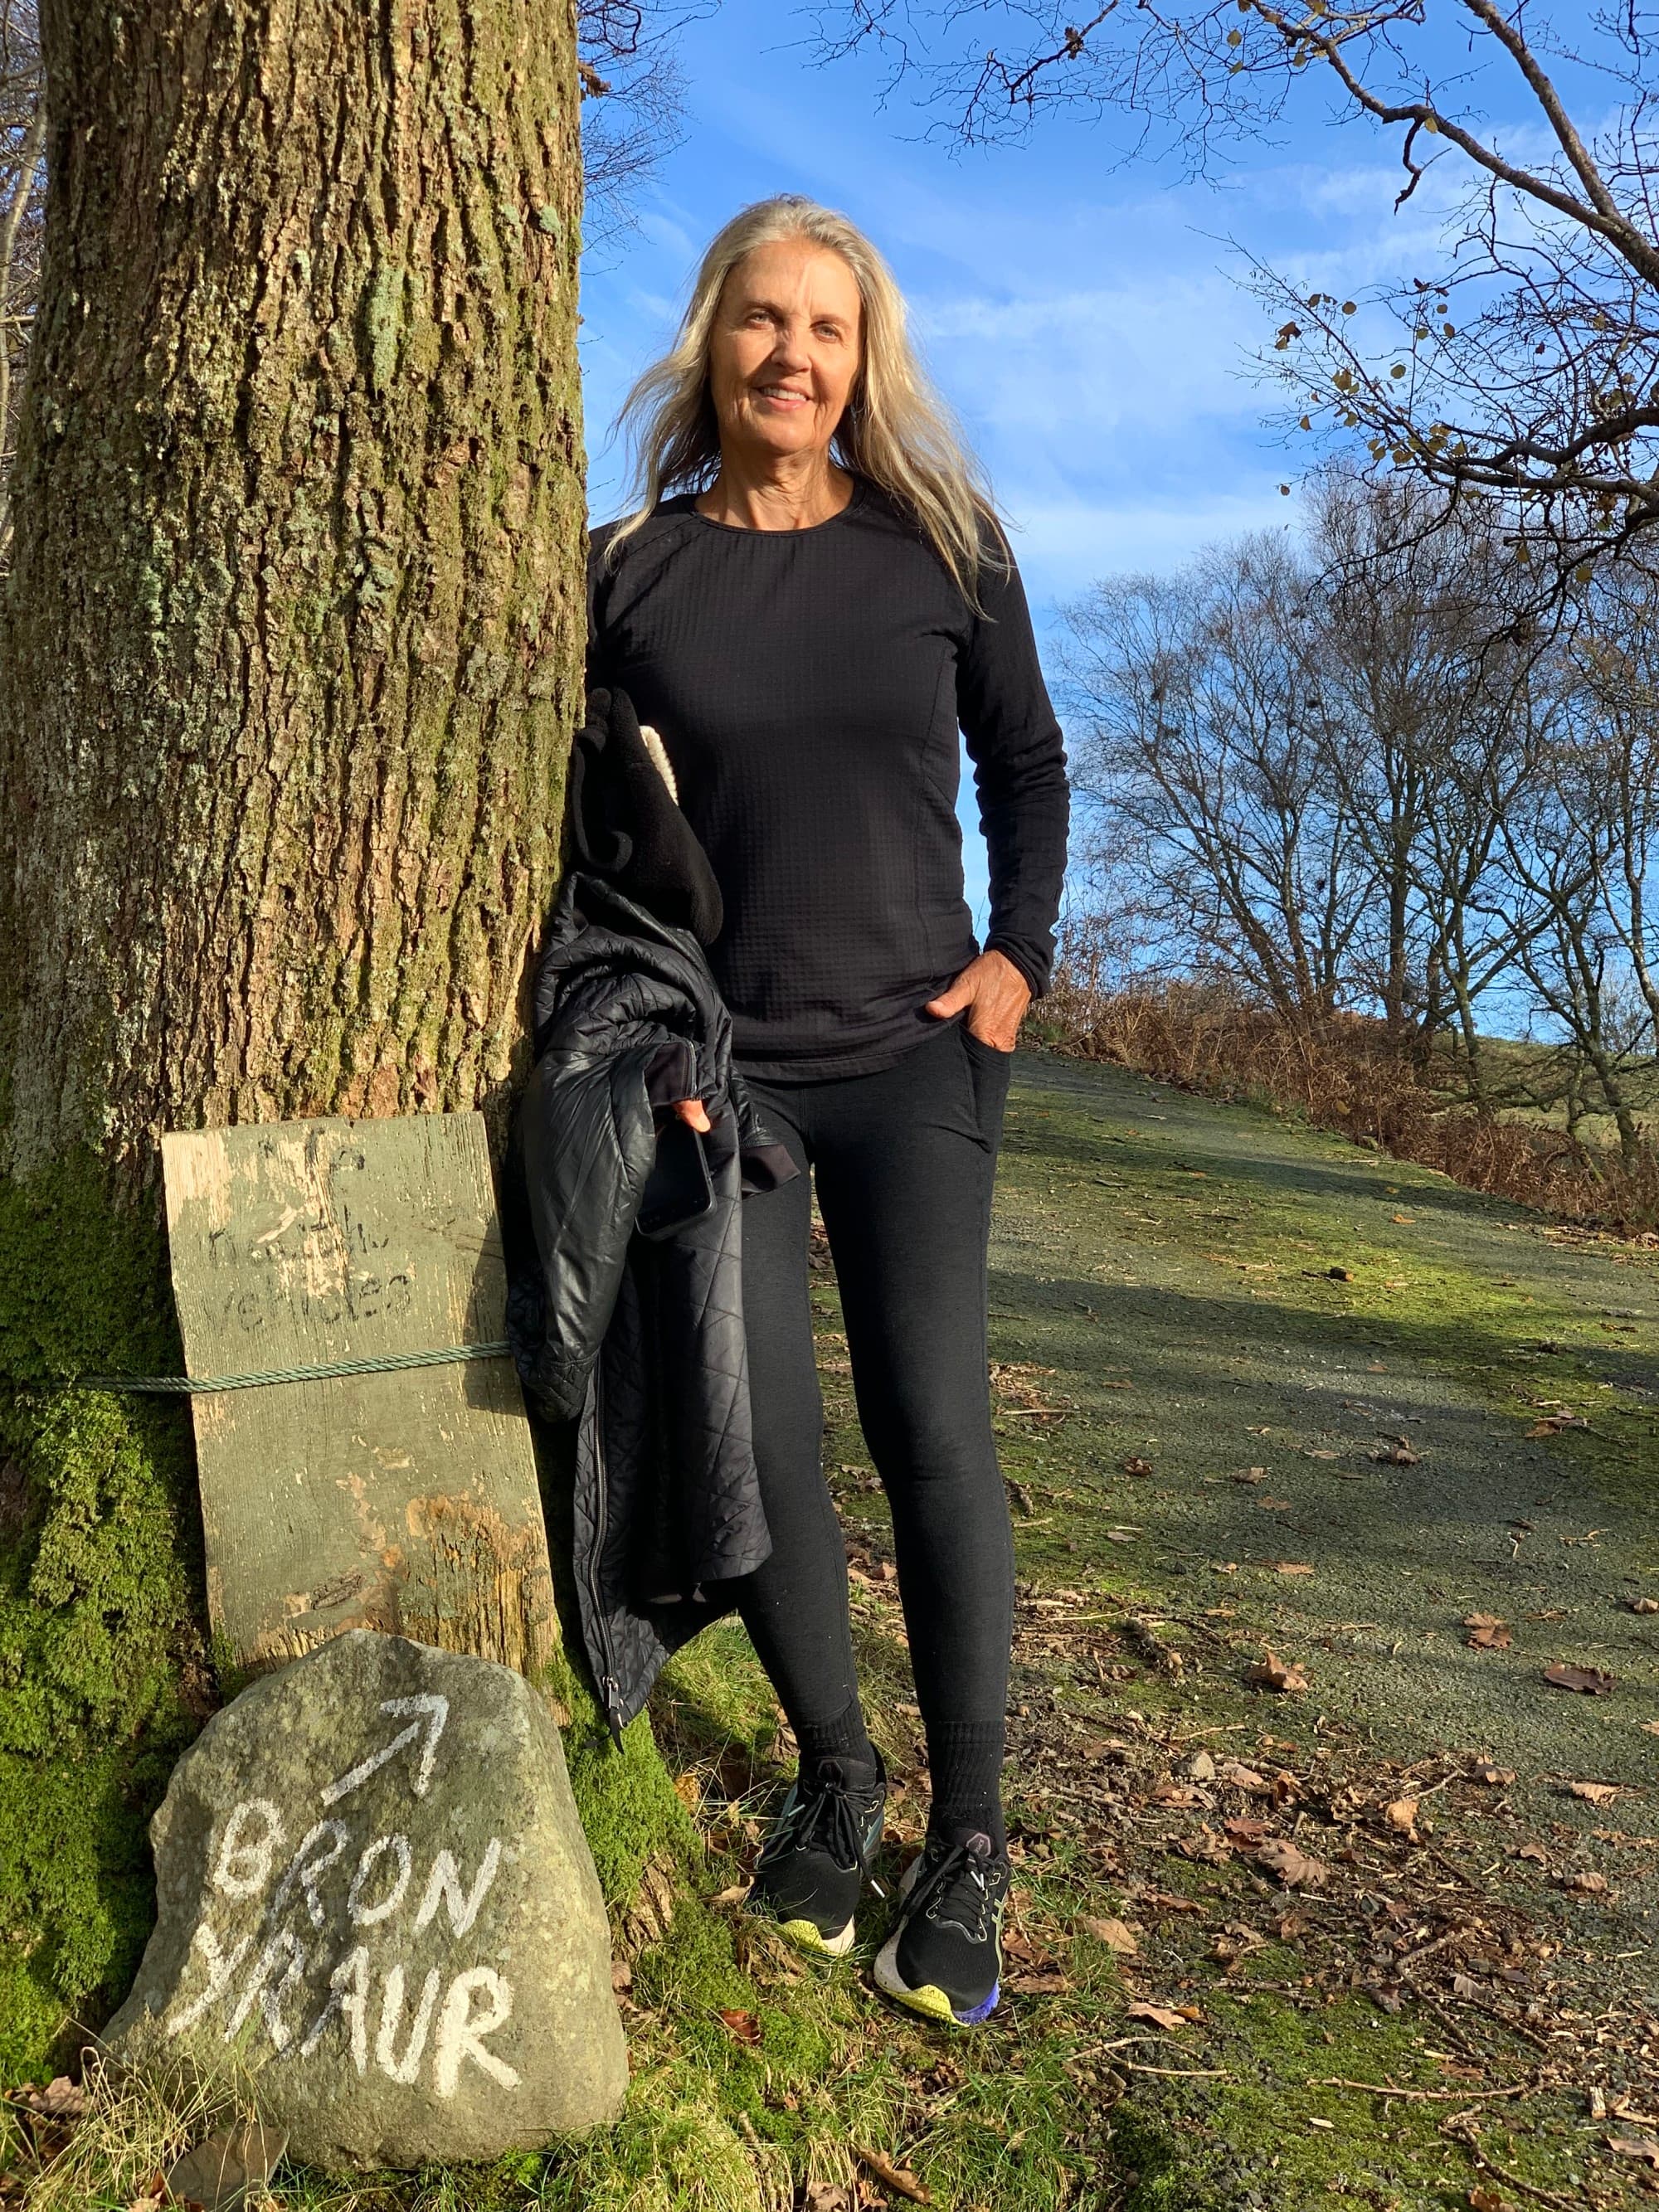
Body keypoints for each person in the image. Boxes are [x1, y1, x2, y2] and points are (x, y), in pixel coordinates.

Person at [586, 195, 1068, 2028]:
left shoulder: (941, 544)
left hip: (914, 1055)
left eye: (829, 329)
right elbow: (591, 839)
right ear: (711, 338)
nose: (795, 356)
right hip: (727, 1075)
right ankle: (838, 1773)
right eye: (763, 321)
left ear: (866, 362)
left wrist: (1017, 956)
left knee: (928, 1421)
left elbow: (1027, 763)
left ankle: (970, 1842)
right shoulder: (626, 570)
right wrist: (650, 1034)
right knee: (762, 1440)